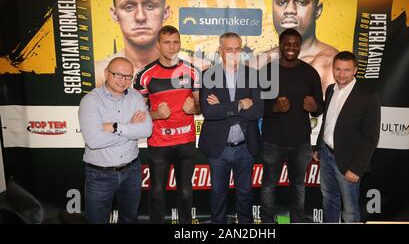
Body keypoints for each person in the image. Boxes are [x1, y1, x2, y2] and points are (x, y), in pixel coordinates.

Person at [133, 25, 201, 224]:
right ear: (158, 45)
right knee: (156, 193)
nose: (172, 47)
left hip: (186, 142)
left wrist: (194, 108)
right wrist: (156, 113)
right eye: (167, 42)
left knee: (186, 193)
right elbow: (137, 114)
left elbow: (200, 107)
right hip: (159, 144)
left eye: (175, 42)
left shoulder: (192, 71)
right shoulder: (145, 75)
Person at [260, 28, 324, 223]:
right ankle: (267, 223)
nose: (291, 47)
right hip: (272, 141)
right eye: (287, 43)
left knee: (298, 186)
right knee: (269, 185)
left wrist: (315, 107)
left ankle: (297, 220)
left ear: (299, 46)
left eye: (295, 44)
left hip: (301, 143)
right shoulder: (267, 71)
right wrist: (274, 108)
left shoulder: (310, 72)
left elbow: (319, 107)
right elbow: (255, 106)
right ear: (280, 45)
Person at [78, 57, 153, 223]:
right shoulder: (90, 101)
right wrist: (130, 129)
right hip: (99, 174)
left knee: (129, 219)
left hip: (131, 171)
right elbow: (94, 141)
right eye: (118, 75)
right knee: (97, 220)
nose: (123, 81)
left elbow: (147, 130)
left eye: (128, 76)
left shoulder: (136, 97)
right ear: (106, 73)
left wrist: (115, 127)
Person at [199, 32, 263, 224]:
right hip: (219, 148)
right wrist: (240, 105)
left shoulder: (253, 75)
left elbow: (258, 111)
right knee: (218, 194)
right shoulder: (208, 75)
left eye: (237, 49)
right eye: (229, 49)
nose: (234, 53)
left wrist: (224, 107)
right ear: (220, 51)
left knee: (245, 194)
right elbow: (209, 112)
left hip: (246, 146)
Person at [312, 51, 381, 223]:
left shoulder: (368, 96)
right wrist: (318, 147)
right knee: (329, 199)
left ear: (355, 70)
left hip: (349, 162)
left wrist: (357, 168)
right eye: (338, 69)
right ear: (333, 69)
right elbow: (327, 121)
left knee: (350, 211)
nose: (341, 74)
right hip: (326, 155)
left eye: (347, 70)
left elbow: (371, 137)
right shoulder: (330, 90)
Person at [252, 0, 338, 93]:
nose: (289, 10)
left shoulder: (330, 63)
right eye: (281, 2)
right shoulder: (258, 63)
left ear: (318, 11)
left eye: (302, 2)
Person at [95, 0, 170, 87]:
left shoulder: (193, 68)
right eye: (129, 7)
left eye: (150, 6)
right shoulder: (99, 73)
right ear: (114, 14)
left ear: (165, 12)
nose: (140, 17)